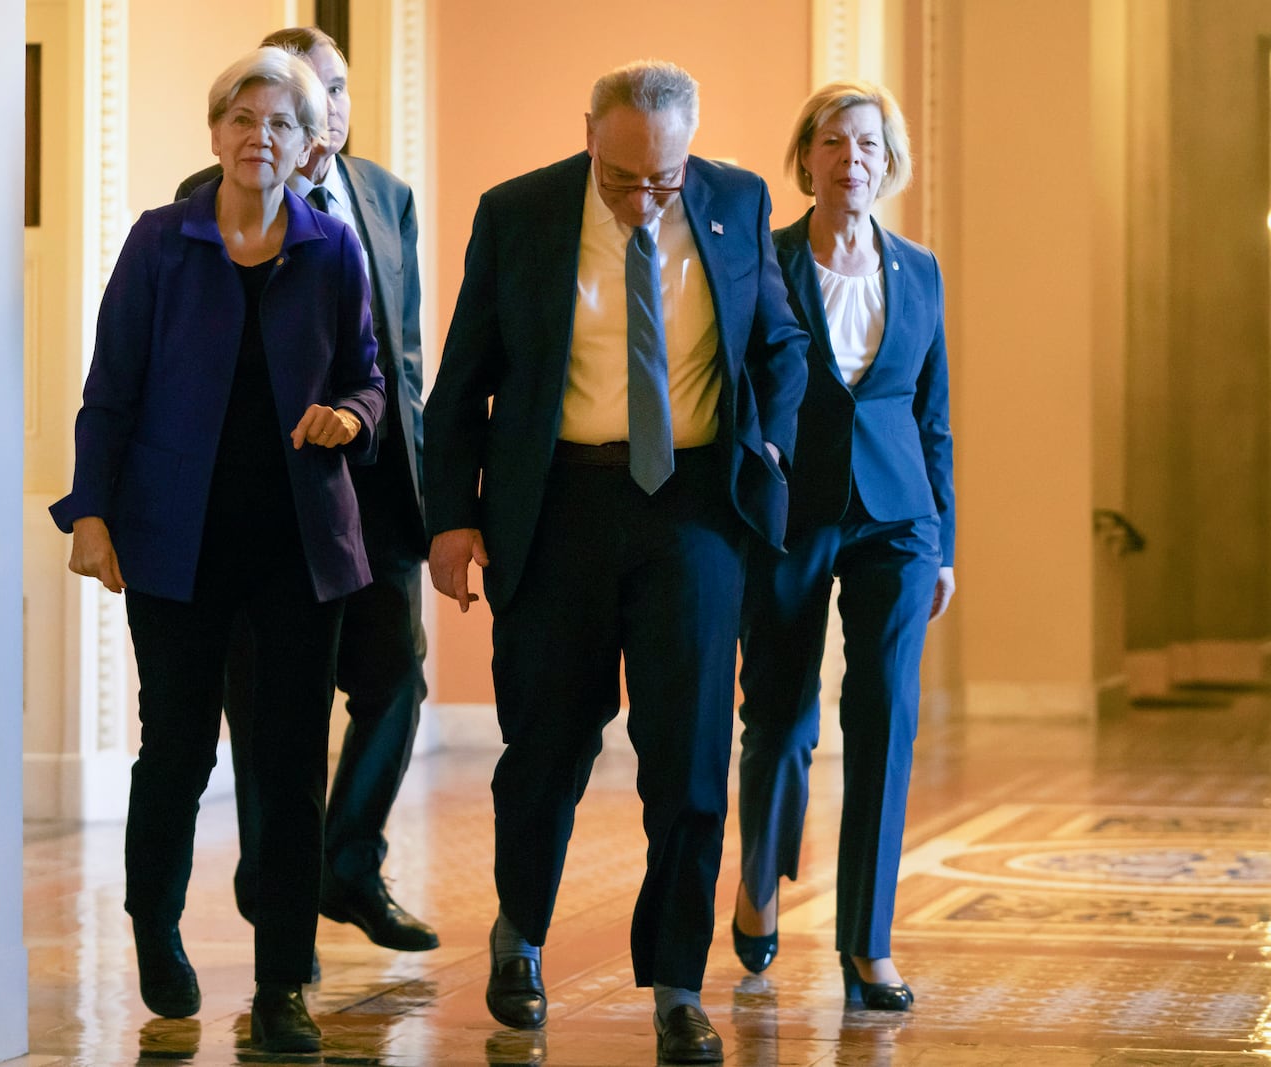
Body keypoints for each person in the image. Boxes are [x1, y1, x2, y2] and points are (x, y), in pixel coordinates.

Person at [424, 60, 808, 1065]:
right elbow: (464, 378)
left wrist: (766, 443)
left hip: (693, 505)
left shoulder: (734, 200)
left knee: (687, 758)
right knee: (546, 746)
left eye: (664, 179)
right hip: (559, 502)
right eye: (625, 177)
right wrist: (450, 519)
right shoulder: (520, 214)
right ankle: (522, 930)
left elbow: (780, 342)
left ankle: (677, 983)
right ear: (589, 135)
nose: (646, 199)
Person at [48, 46, 384, 1054]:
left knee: (286, 762)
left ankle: (282, 979)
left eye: (280, 122)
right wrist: (90, 512)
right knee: (179, 747)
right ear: (215, 134)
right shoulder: (160, 244)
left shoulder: (331, 252)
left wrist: (349, 421)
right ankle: (155, 921)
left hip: (298, 545)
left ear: (309, 145)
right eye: (242, 117)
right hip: (174, 541)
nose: (258, 136)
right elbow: (109, 390)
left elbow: (368, 378)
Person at [175, 27, 436, 956]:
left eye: (337, 90)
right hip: (276, 493)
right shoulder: (207, 203)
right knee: (270, 706)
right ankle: (273, 885)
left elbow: (401, 354)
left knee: (397, 677)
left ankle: (347, 861)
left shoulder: (387, 196)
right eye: (304, 94)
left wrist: (433, 484)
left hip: (379, 487)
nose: (323, 111)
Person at [728, 80, 955, 1013]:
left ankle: (868, 944)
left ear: (887, 163)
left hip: (898, 519)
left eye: (867, 144)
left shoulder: (922, 270)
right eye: (833, 141)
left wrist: (942, 539)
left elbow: (935, 415)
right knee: (780, 715)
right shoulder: (764, 261)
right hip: (791, 512)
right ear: (807, 157)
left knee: (885, 714)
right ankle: (758, 879)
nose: (850, 159)